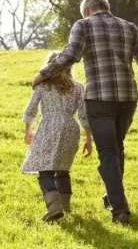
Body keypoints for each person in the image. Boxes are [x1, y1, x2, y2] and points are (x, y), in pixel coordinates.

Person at [32, 0, 138, 225]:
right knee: (116, 148)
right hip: (127, 98)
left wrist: (44, 73)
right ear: (107, 9)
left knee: (108, 152)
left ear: (86, 11)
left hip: (100, 99)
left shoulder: (83, 25)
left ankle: (119, 210)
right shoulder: (129, 27)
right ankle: (111, 197)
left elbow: (71, 55)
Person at [23, 52, 93, 222]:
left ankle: (54, 207)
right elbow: (84, 115)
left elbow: (31, 109)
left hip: (49, 127)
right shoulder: (78, 87)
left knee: (45, 169)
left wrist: (28, 130)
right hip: (71, 128)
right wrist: (88, 139)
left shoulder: (43, 86)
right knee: (62, 168)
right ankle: (65, 207)